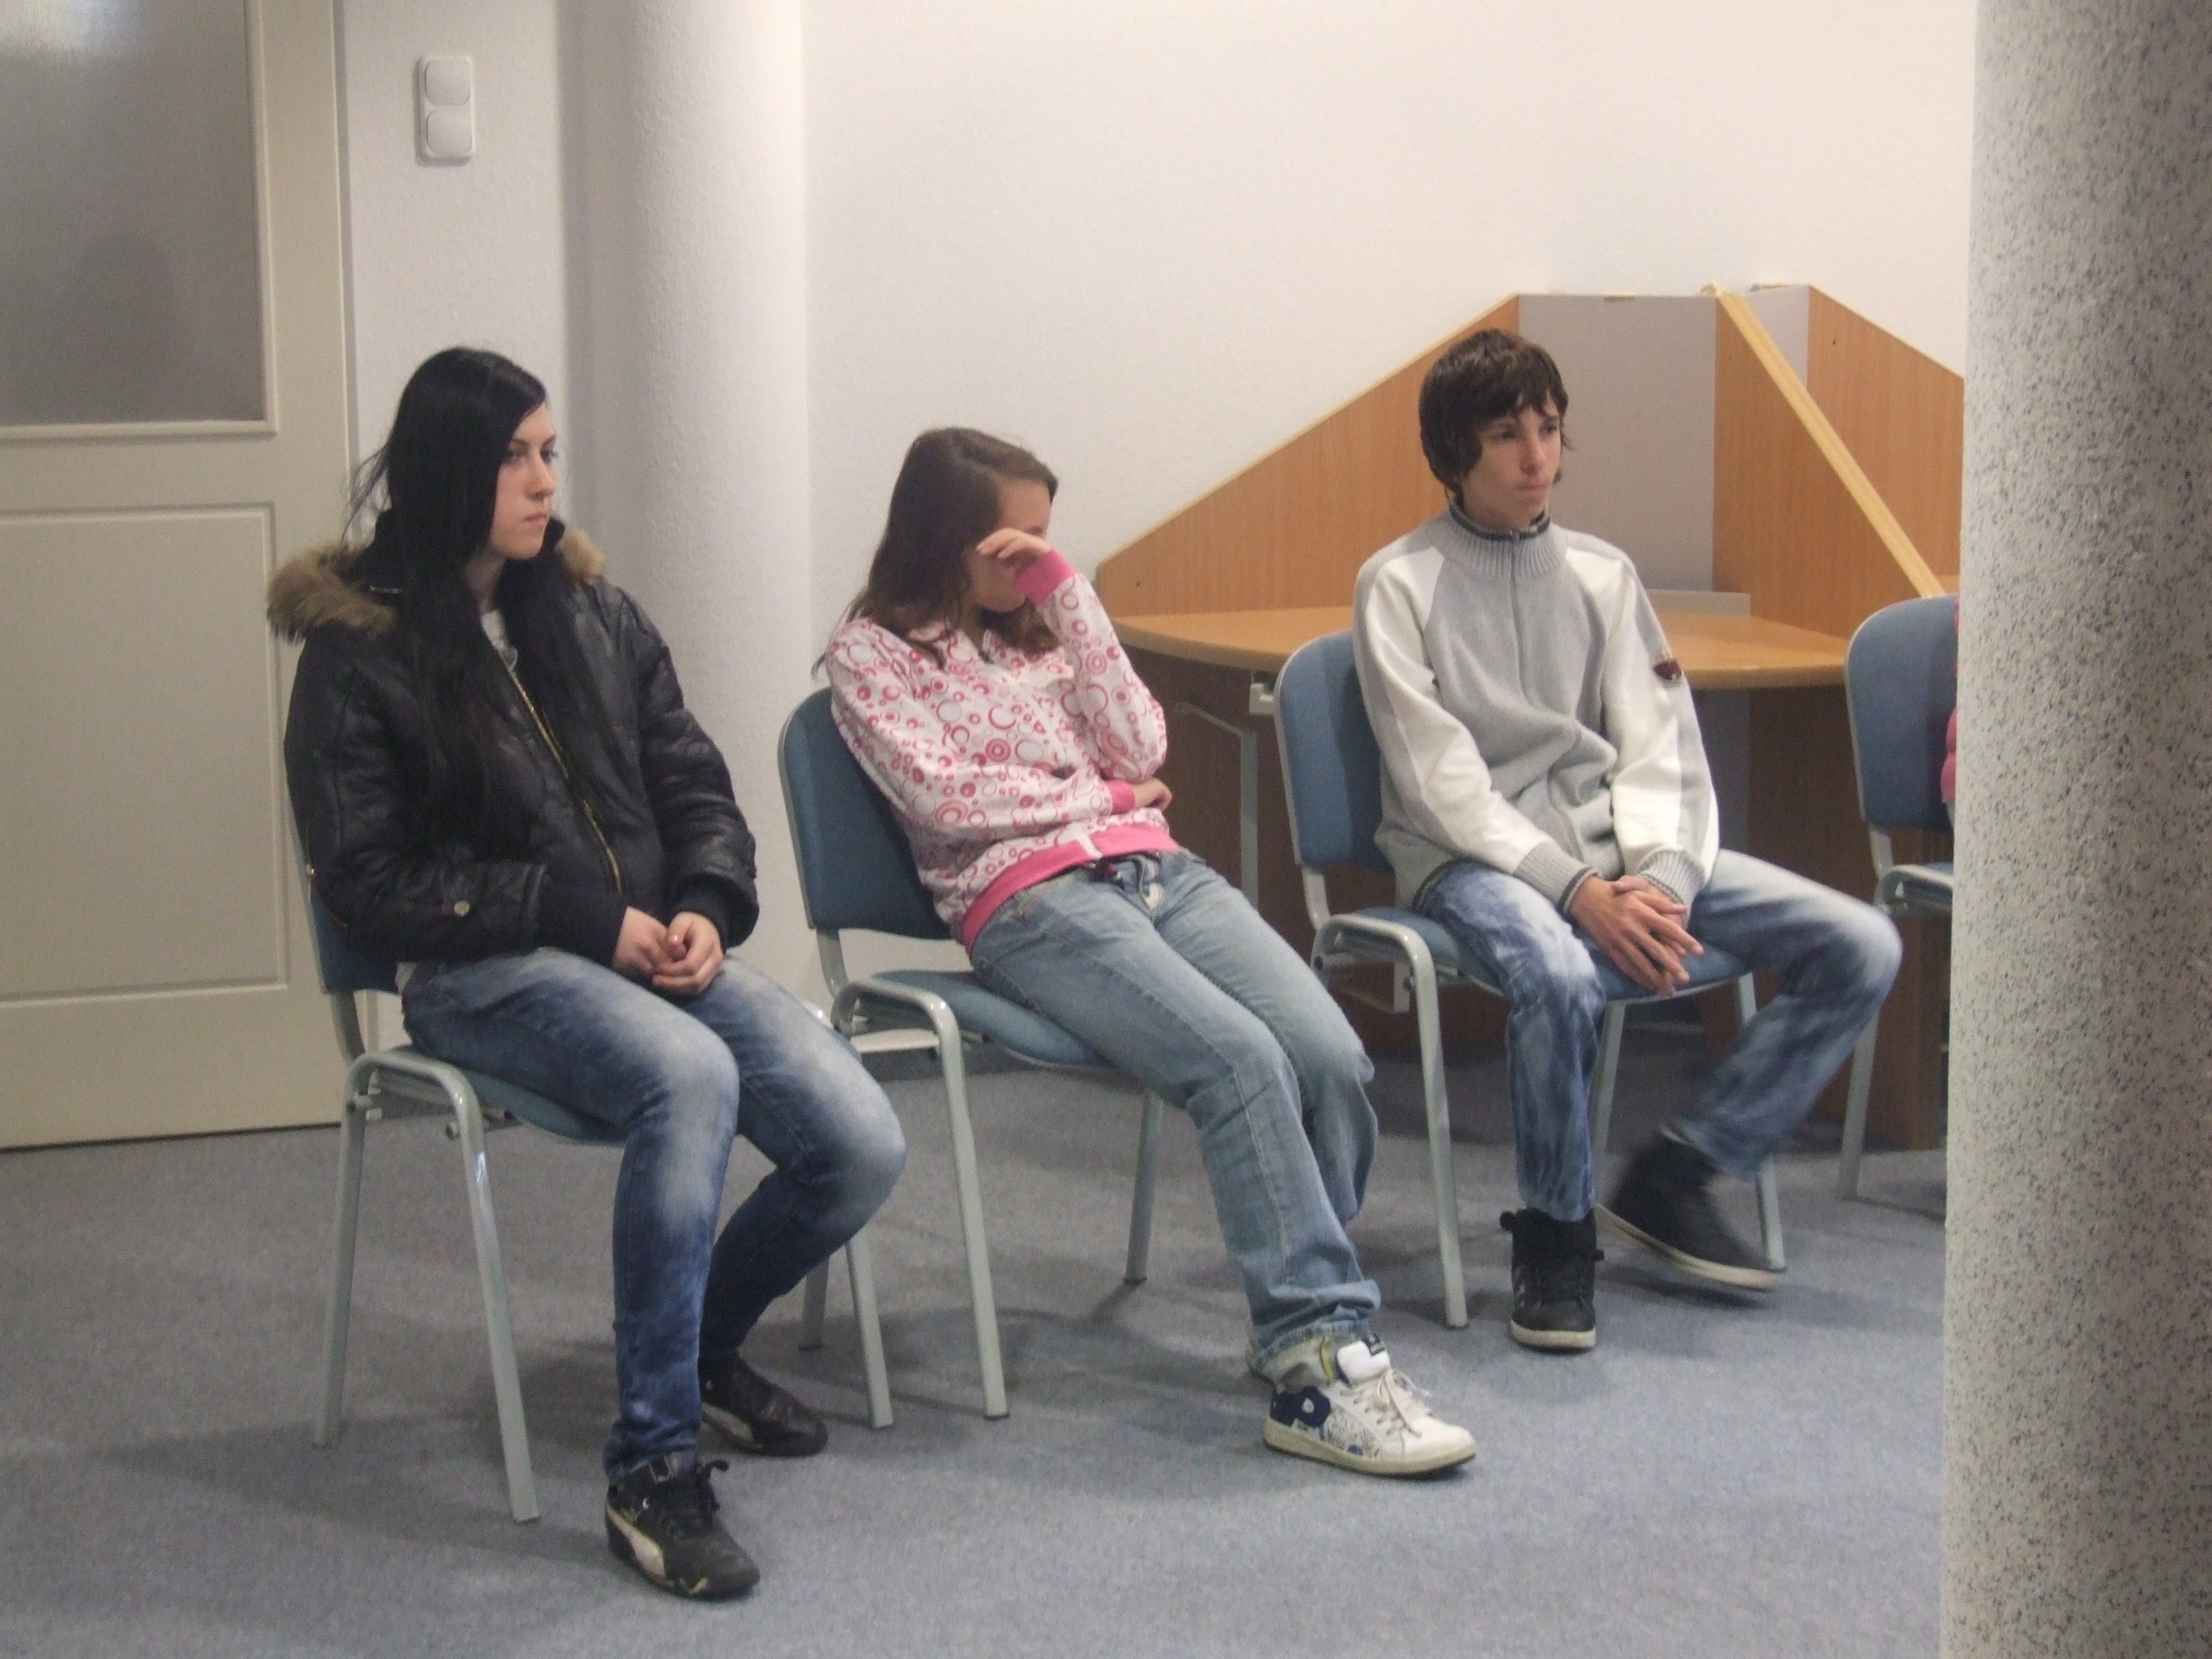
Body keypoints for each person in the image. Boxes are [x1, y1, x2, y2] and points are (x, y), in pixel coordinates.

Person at [271, 348, 905, 1598]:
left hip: (644, 948)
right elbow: (368, 882)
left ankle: (697, 1349)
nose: (541, 481)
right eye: (513, 456)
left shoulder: (593, 612)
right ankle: (651, 1469)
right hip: (479, 969)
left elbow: (693, 783)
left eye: (549, 453)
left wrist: (705, 904)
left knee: (859, 1142)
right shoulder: (358, 654)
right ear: (448, 468)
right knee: (690, 1077)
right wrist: (576, 914)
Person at [824, 428, 1476, 1478]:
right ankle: (1317, 1357)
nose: (1034, 561)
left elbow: (1144, 744)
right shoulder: (872, 655)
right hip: (1029, 901)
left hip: (1157, 871)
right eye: (1016, 543)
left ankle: (1303, 1303)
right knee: (1239, 1062)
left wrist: (1071, 599)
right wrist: (1109, 797)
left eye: (1046, 540)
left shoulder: (1044, 634)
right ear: (948, 536)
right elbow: (947, 801)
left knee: (1327, 1054)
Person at [1353, 329, 1901, 1353]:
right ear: (1454, 451)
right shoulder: (1398, 582)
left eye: (1549, 429)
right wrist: (1575, 891)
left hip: (1615, 853)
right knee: (1559, 976)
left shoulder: (1604, 575)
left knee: (1861, 944)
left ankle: (1679, 1171)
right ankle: (1557, 1236)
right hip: (1471, 862)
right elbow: (1439, 781)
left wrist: (1659, 880)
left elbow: (1660, 746)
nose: (1536, 457)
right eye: (1506, 435)